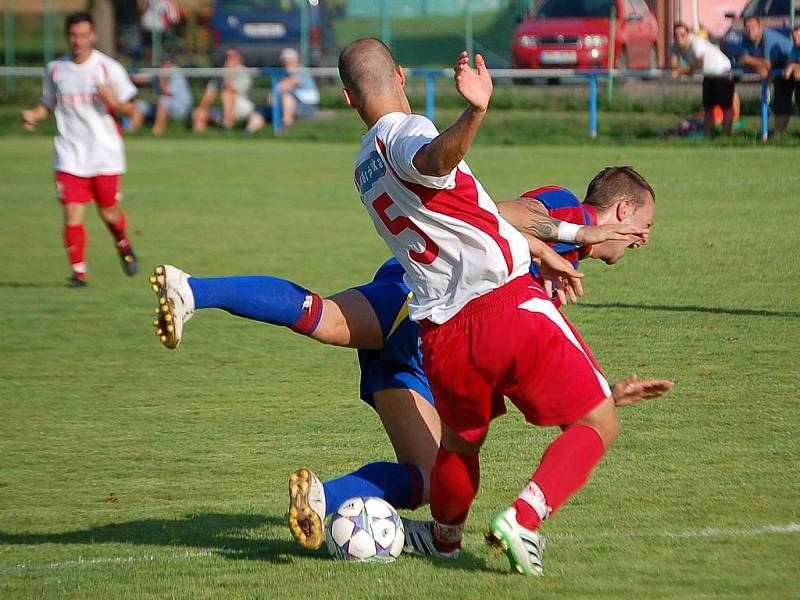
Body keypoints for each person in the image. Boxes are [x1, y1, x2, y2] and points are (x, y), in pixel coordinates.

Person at [147, 168, 668, 555]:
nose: (643, 237)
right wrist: (567, 236)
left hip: (429, 333)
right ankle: (191, 289)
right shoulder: (570, 210)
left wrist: (599, 389)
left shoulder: (559, 268)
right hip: (426, 302)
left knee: (422, 476)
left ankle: (323, 499)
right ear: (620, 212)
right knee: (327, 320)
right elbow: (495, 213)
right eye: (643, 224)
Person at [336, 38, 668, 575]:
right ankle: (525, 517)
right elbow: (432, 158)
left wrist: (571, 235)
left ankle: (443, 542)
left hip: (442, 333)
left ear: (349, 98)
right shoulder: (409, 131)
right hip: (504, 303)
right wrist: (475, 111)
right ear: (400, 73)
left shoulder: (363, 169)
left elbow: (488, 211)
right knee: (599, 422)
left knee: (460, 448)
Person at [20, 12, 139, 287]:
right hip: (69, 154)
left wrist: (115, 103)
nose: (78, 41)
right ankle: (79, 273)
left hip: (105, 153)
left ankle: (122, 242)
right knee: (72, 213)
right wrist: (35, 115)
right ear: (68, 36)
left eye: (84, 35)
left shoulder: (108, 68)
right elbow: (47, 104)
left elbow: (132, 112)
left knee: (109, 212)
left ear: (93, 36)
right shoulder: (55, 69)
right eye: (73, 35)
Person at [669, 22, 735, 137]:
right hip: (708, 74)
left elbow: (698, 65)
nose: (679, 38)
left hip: (722, 71)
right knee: (708, 107)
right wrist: (676, 69)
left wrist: (679, 71)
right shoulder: (676, 45)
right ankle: (708, 137)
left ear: (688, 34)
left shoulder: (696, 43)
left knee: (726, 107)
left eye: (682, 35)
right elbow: (673, 64)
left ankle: (726, 137)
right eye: (676, 35)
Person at [739, 16, 795, 135]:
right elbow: (744, 61)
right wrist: (759, 67)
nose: (750, 30)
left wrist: (751, 61)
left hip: (793, 67)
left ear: (760, 27)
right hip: (780, 73)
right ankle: (778, 136)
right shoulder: (745, 39)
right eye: (747, 28)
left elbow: (767, 64)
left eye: (753, 27)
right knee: (780, 103)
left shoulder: (769, 38)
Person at [246, 48, 321, 134]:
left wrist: (274, 92)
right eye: (285, 61)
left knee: (287, 96)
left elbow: (289, 83)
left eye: (289, 61)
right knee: (259, 112)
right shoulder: (286, 73)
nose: (286, 63)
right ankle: (249, 132)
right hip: (284, 106)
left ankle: (286, 125)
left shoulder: (301, 70)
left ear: (297, 60)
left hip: (306, 107)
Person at [192, 48, 255, 132]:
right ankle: (198, 137)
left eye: (233, 56)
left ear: (240, 58)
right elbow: (210, 92)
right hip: (223, 109)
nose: (229, 59)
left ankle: (227, 126)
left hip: (242, 107)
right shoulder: (220, 72)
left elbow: (231, 90)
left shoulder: (244, 72)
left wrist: (226, 74)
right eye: (227, 57)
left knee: (227, 94)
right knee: (199, 113)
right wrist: (201, 109)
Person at [129, 53, 192, 135]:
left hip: (181, 107)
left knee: (163, 100)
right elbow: (141, 77)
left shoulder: (176, 72)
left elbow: (167, 93)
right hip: (164, 106)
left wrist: (162, 78)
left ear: (171, 63)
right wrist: (127, 76)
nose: (164, 65)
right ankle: (132, 132)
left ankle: (157, 132)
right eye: (162, 63)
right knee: (141, 105)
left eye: (167, 62)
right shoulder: (159, 70)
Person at [782, 23, 800, 122]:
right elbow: (789, 63)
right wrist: (790, 67)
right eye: (794, 38)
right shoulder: (795, 48)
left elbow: (791, 66)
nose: (796, 40)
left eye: (798, 37)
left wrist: (792, 67)